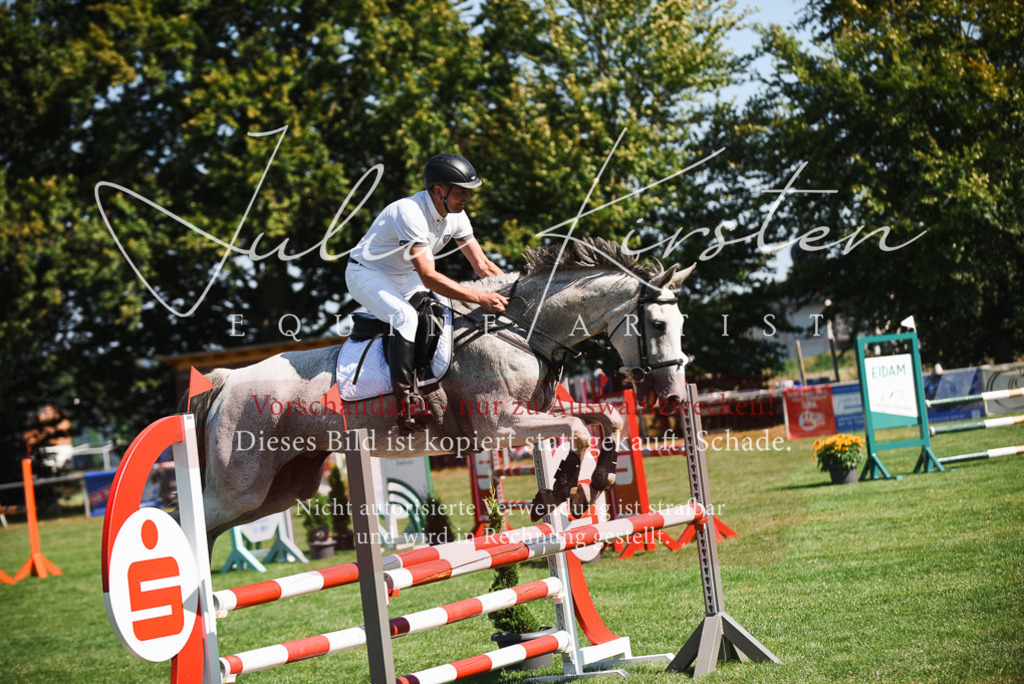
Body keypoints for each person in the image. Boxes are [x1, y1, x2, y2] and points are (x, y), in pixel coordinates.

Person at [346, 153, 508, 434]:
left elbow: (483, 266)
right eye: (461, 192)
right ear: (438, 190)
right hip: (367, 273)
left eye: (468, 191)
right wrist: (480, 297)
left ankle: (428, 381)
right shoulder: (409, 213)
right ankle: (406, 405)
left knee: (442, 310)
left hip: (404, 274)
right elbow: (428, 275)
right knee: (405, 317)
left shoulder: (456, 215)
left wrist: (514, 291)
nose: (467, 198)